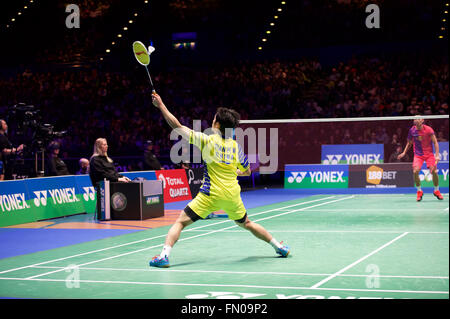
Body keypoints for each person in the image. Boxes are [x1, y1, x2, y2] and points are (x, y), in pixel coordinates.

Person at [149, 92, 290, 268]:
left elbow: (177, 126)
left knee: (180, 222)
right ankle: (279, 247)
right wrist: (234, 171)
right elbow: (247, 171)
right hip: (232, 195)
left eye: (214, 118)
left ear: (217, 123)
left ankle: (164, 256)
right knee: (247, 223)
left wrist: (161, 105)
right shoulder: (235, 146)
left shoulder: (206, 140)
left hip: (210, 195)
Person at [398, 116, 443, 201]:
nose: (416, 120)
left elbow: (435, 142)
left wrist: (437, 155)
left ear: (422, 120)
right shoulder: (412, 130)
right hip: (418, 155)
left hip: (429, 154)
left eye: (418, 118)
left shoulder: (429, 129)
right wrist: (404, 152)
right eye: (415, 119)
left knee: (434, 171)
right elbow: (409, 143)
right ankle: (419, 191)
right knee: (415, 171)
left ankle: (436, 190)